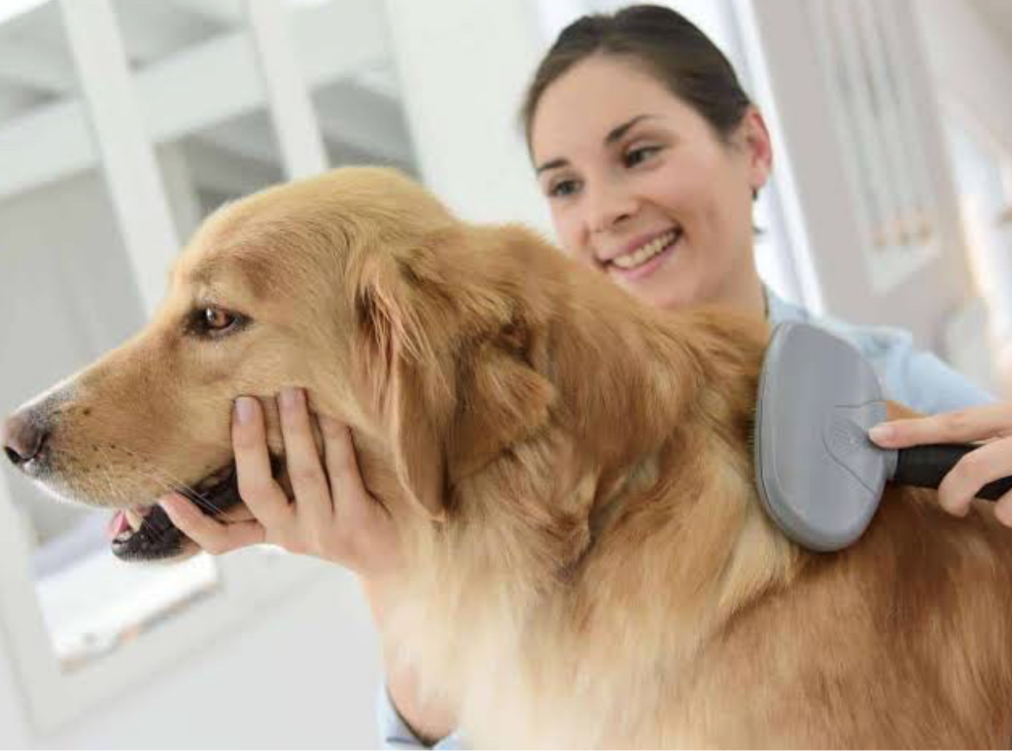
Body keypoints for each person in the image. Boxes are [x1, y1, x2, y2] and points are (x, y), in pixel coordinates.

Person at [157, 5, 1008, 749]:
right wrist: (394, 573)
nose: (604, 211)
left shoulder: (897, 391)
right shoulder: (518, 463)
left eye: (639, 153)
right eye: (565, 186)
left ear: (751, 147)